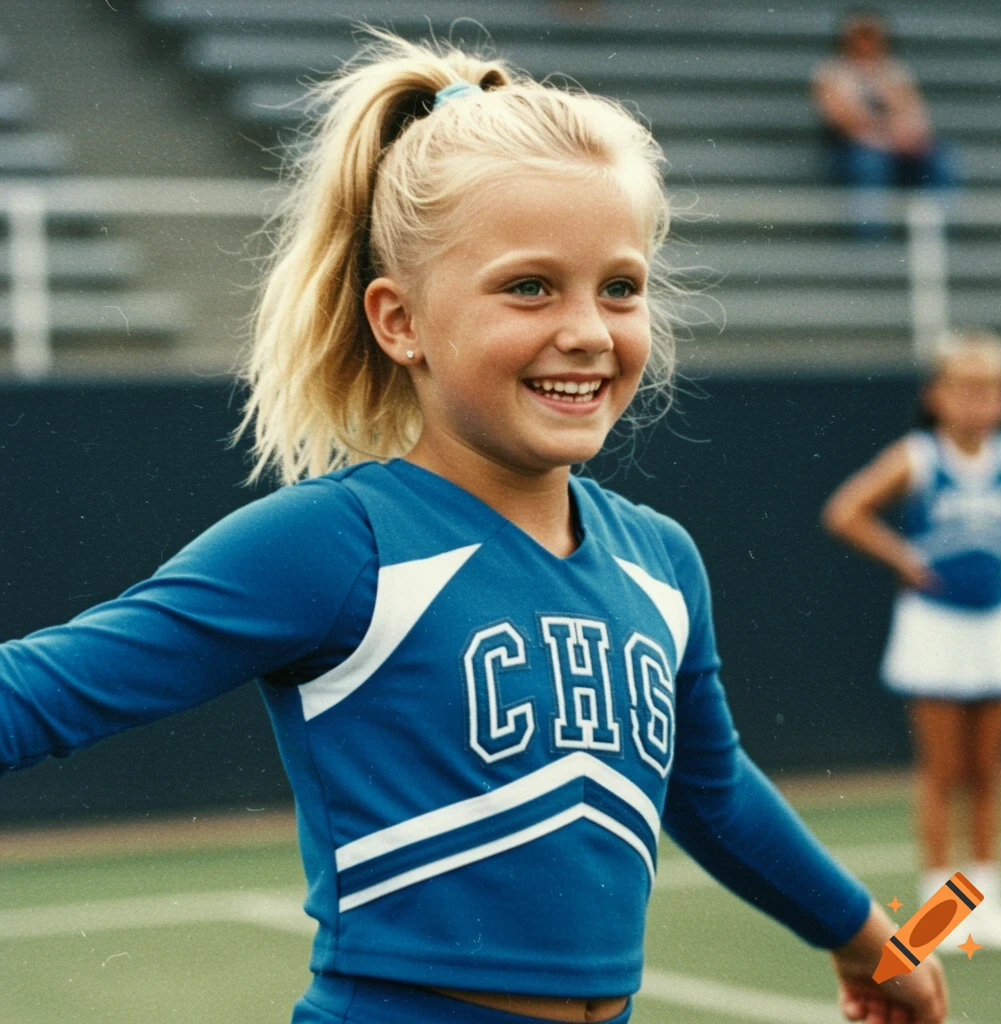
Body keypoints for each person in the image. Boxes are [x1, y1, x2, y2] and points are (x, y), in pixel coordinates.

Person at [0, 32, 947, 1024]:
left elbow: (712, 793)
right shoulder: (338, 543)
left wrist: (873, 942)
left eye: (618, 286)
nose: (587, 328)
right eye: (529, 286)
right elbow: (38, 694)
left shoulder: (662, 563)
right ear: (399, 319)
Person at [823, 330, 1001, 954]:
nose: (977, 404)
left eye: (989, 391)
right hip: (935, 627)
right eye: (964, 390)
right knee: (941, 772)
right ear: (937, 396)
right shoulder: (918, 456)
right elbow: (846, 510)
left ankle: (988, 896)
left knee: (988, 771)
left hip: (996, 624)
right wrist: (905, 558)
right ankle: (944, 906)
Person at [811, 9, 955, 238]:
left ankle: (939, 236)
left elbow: (914, 114)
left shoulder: (895, 70)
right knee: (869, 165)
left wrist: (906, 132)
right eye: (861, 35)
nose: (866, 42)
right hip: (855, 147)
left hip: (896, 144)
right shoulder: (833, 72)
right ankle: (871, 241)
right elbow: (842, 119)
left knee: (942, 160)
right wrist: (885, 128)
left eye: (872, 36)